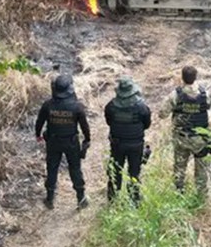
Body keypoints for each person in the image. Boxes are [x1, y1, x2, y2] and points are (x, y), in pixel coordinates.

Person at [35, 75, 91, 210]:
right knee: (75, 169)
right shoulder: (77, 106)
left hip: (53, 141)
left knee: (52, 168)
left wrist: (38, 135)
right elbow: (84, 126)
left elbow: (39, 122)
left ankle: (49, 199)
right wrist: (87, 139)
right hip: (72, 142)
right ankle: (81, 198)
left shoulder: (48, 105)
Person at [159, 65, 211, 195]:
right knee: (201, 170)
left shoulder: (175, 95)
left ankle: (179, 193)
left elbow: (162, 114)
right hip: (200, 139)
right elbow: (208, 106)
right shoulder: (205, 94)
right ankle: (201, 196)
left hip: (181, 138)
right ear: (195, 77)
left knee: (179, 168)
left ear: (182, 78)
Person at [104, 76, 152, 203]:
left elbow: (109, 122)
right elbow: (147, 124)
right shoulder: (142, 107)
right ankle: (134, 200)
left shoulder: (110, 107)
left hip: (117, 144)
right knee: (134, 172)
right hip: (136, 145)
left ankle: (112, 200)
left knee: (115, 171)